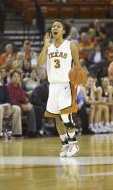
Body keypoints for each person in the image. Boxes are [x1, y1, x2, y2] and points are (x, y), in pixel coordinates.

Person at [37, 19, 80, 157]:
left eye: (58, 26)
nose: (54, 28)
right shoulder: (48, 47)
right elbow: (39, 64)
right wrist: (45, 45)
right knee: (57, 118)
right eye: (53, 26)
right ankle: (65, 144)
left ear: (64, 31)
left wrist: (77, 82)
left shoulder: (70, 46)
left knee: (65, 115)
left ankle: (74, 144)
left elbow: (77, 66)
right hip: (53, 86)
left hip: (66, 84)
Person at [0, 68, 22, 139]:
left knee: (17, 108)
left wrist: (7, 104)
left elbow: (8, 100)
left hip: (2, 108)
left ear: (1, 76)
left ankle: (16, 133)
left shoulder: (4, 87)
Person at [7, 70, 37, 137]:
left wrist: (27, 104)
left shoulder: (19, 88)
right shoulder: (8, 87)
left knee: (31, 108)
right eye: (14, 76)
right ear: (11, 78)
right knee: (17, 108)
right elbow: (10, 100)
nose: (16, 78)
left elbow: (23, 99)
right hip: (12, 108)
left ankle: (31, 132)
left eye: (18, 76)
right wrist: (21, 105)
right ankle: (17, 133)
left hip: (20, 107)